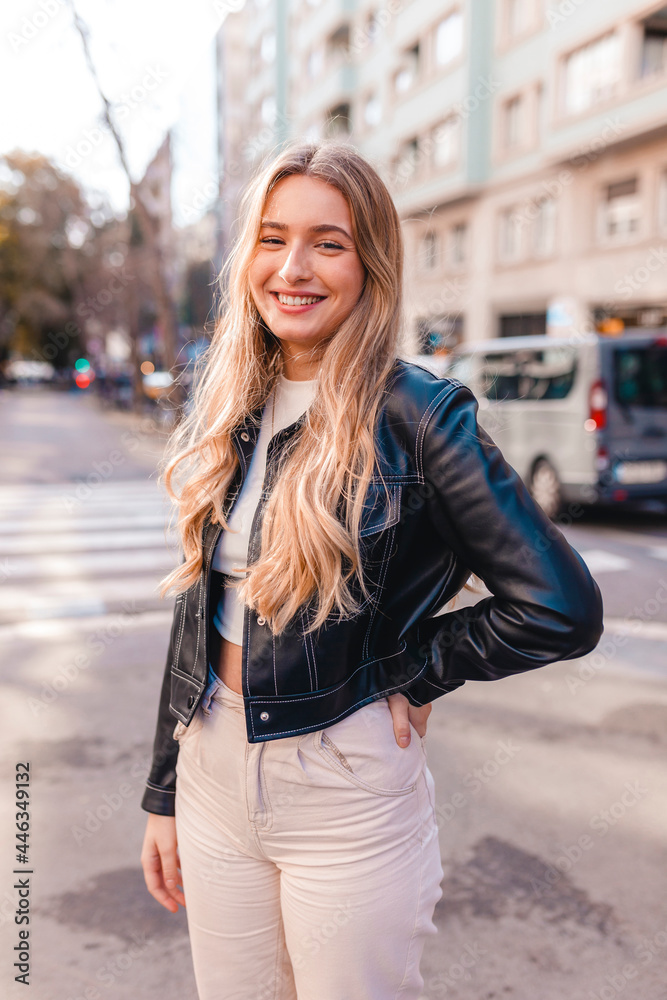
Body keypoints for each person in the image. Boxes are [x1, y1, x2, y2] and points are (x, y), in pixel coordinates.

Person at [140, 139, 603, 1000]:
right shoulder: (232, 400)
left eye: (328, 242)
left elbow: (560, 605)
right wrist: (164, 791)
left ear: (369, 262)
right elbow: (197, 614)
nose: (294, 267)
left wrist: (416, 668)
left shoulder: (422, 415)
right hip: (208, 768)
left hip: (341, 786)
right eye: (273, 239)